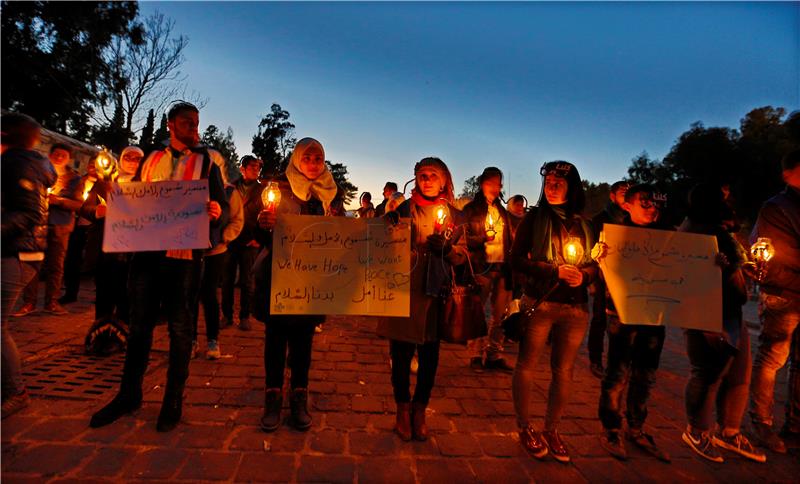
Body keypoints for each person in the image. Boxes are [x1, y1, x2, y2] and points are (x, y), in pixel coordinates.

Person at [89, 102, 229, 432]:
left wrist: (214, 210)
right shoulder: (151, 159)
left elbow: (221, 203)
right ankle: (129, 393)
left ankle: (173, 399)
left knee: (181, 328)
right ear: (170, 125)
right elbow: (135, 198)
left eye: (196, 123)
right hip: (147, 256)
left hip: (184, 258)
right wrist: (116, 197)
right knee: (139, 326)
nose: (194, 128)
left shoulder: (207, 162)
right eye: (186, 123)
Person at [255, 137, 345, 432]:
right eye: (307, 157)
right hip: (280, 276)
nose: (313, 163)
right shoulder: (278, 188)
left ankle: (298, 395)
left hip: (312, 280)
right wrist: (264, 224)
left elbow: (341, 236)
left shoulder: (331, 194)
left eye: (318, 158)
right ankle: (272, 396)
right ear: (296, 159)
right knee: (276, 338)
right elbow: (262, 234)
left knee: (304, 339)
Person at [510, 160, 598, 463]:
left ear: (573, 187)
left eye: (559, 183)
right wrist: (553, 271)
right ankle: (525, 427)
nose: (552, 186)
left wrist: (584, 276)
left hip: (575, 308)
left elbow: (597, 263)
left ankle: (552, 428)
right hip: (541, 301)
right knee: (528, 365)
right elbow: (516, 260)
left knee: (564, 370)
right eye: (548, 182)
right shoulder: (534, 220)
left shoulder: (586, 224)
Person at [376, 157, 467, 442]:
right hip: (403, 292)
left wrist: (448, 251)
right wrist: (386, 224)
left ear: (443, 180)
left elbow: (463, 256)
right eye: (421, 175)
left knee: (430, 356)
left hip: (434, 293)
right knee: (400, 355)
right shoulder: (402, 209)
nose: (426, 180)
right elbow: (377, 242)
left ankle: (420, 410)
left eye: (432, 175)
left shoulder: (454, 216)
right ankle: (402, 409)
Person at [677, 182, 766, 463]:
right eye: (723, 197)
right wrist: (705, 322)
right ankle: (696, 431)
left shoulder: (720, 231)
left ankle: (728, 432)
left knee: (739, 373)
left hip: (731, 311)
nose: (729, 202)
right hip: (709, 313)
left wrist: (743, 268)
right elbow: (693, 279)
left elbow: (729, 266)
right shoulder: (696, 233)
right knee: (707, 373)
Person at [593, 184, 670, 462]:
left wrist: (714, 264)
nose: (653, 209)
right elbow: (601, 277)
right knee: (617, 374)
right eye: (645, 204)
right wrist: (599, 259)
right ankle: (612, 428)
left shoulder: (671, 238)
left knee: (646, 376)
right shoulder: (614, 237)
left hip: (655, 315)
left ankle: (636, 427)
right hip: (621, 315)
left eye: (657, 204)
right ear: (628, 205)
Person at [1, 112, 57, 418]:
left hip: (16, 252)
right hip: (19, 251)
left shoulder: (17, 163)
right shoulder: (19, 162)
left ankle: (15, 390)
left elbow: (29, 212)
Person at [748, 149, 800, 453]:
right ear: (788, 173)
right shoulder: (776, 208)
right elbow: (779, 250)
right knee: (772, 359)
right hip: (782, 293)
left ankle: (794, 424)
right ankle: (762, 423)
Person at [79, 146, 144, 355]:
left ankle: (121, 335)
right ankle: (100, 335)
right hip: (105, 248)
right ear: (121, 159)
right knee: (104, 292)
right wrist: (97, 212)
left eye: (137, 158)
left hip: (132, 250)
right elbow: (85, 208)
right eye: (129, 157)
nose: (133, 161)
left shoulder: (147, 186)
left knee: (127, 293)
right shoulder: (105, 183)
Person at [14, 143, 83, 316]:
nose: (59, 158)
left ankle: (51, 302)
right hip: (37, 224)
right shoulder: (37, 173)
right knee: (31, 262)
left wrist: (58, 201)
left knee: (56, 265)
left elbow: (78, 204)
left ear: (69, 158)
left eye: (63, 155)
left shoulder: (75, 179)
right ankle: (29, 302)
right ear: (50, 155)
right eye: (56, 154)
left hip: (60, 226)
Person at [463, 167, 514, 372]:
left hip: (502, 267)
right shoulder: (471, 210)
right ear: (482, 183)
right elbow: (464, 238)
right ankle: (475, 355)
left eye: (498, 183)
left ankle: (494, 354)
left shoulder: (502, 211)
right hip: (481, 267)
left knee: (500, 314)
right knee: (477, 312)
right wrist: (484, 238)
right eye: (491, 182)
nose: (495, 187)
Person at [191, 169, 244, 359]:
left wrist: (224, 237)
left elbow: (237, 219)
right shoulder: (190, 188)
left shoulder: (229, 192)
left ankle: (213, 340)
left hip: (216, 250)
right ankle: (192, 340)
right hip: (191, 249)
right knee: (191, 294)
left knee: (209, 293)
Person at [587, 181, 629, 378]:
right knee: (600, 319)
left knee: (624, 322)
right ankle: (595, 359)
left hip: (627, 280)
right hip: (604, 279)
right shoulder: (599, 220)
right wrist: (594, 280)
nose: (626, 195)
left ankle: (621, 360)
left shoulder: (632, 221)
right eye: (622, 192)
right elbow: (591, 251)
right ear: (612, 196)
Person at [222, 155, 265, 331]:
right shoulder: (231, 187)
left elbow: (267, 213)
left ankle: (245, 316)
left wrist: (259, 238)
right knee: (227, 280)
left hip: (250, 240)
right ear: (243, 168)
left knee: (247, 281)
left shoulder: (263, 190)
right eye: (253, 167)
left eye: (258, 168)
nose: (256, 170)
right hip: (231, 240)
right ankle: (226, 315)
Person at [60, 161, 99, 305]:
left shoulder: (107, 184)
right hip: (79, 225)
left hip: (96, 227)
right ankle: (70, 293)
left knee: (97, 262)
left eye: (96, 165)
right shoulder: (78, 181)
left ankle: (99, 294)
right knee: (72, 260)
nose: (93, 167)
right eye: (91, 164)